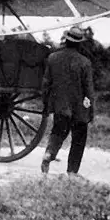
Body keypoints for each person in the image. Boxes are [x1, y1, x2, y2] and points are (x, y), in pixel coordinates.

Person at [40, 25, 95, 176]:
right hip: (79, 108)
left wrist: (46, 104)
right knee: (78, 139)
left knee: (57, 132)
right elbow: (89, 90)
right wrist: (91, 112)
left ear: (66, 39)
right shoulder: (85, 62)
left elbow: (46, 84)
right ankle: (72, 172)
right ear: (79, 43)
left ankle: (49, 154)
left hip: (60, 105)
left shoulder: (53, 58)